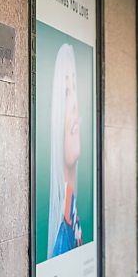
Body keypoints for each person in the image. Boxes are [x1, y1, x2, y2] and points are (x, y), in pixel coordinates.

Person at [47, 44, 83, 258]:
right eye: (65, 93)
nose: (73, 105)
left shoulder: (73, 215)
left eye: (75, 89)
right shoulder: (63, 241)